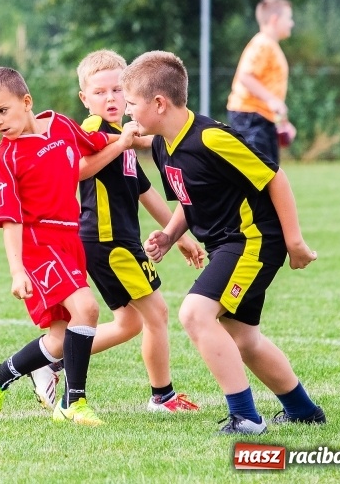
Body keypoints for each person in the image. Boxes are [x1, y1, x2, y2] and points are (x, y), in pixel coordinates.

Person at [119, 50, 326, 435]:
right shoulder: (164, 144)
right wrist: (169, 235)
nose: (127, 111)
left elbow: (274, 177)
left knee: (195, 314)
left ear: (159, 103)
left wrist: (295, 241)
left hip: (252, 241)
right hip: (228, 245)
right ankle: (302, 410)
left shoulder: (211, 138)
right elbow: (189, 198)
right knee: (243, 338)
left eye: (131, 103)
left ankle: (246, 417)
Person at [27, 50, 205, 414]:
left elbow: (144, 191)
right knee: (156, 314)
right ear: (84, 99)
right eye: (99, 92)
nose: (110, 98)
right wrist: (123, 143)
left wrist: (180, 236)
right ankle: (163, 396)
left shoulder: (118, 136)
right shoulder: (91, 131)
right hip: (108, 241)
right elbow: (72, 170)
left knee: (129, 323)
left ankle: (52, 358)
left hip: (116, 241)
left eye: (116, 90)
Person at [0, 66, 138, 426]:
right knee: (88, 309)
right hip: (38, 245)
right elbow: (9, 220)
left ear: (26, 102)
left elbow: (95, 144)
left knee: (62, 336)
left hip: (69, 239)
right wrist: (17, 270)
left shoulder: (61, 126)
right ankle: (72, 403)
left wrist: (126, 139)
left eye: (3, 110)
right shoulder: (5, 159)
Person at [226, 0, 297, 165]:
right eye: (289, 18)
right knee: (261, 176)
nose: (292, 23)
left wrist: (283, 123)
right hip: (249, 116)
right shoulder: (262, 44)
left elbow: (270, 90)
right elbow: (245, 76)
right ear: (274, 19)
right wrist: (271, 100)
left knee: (270, 174)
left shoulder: (271, 45)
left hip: (261, 117)